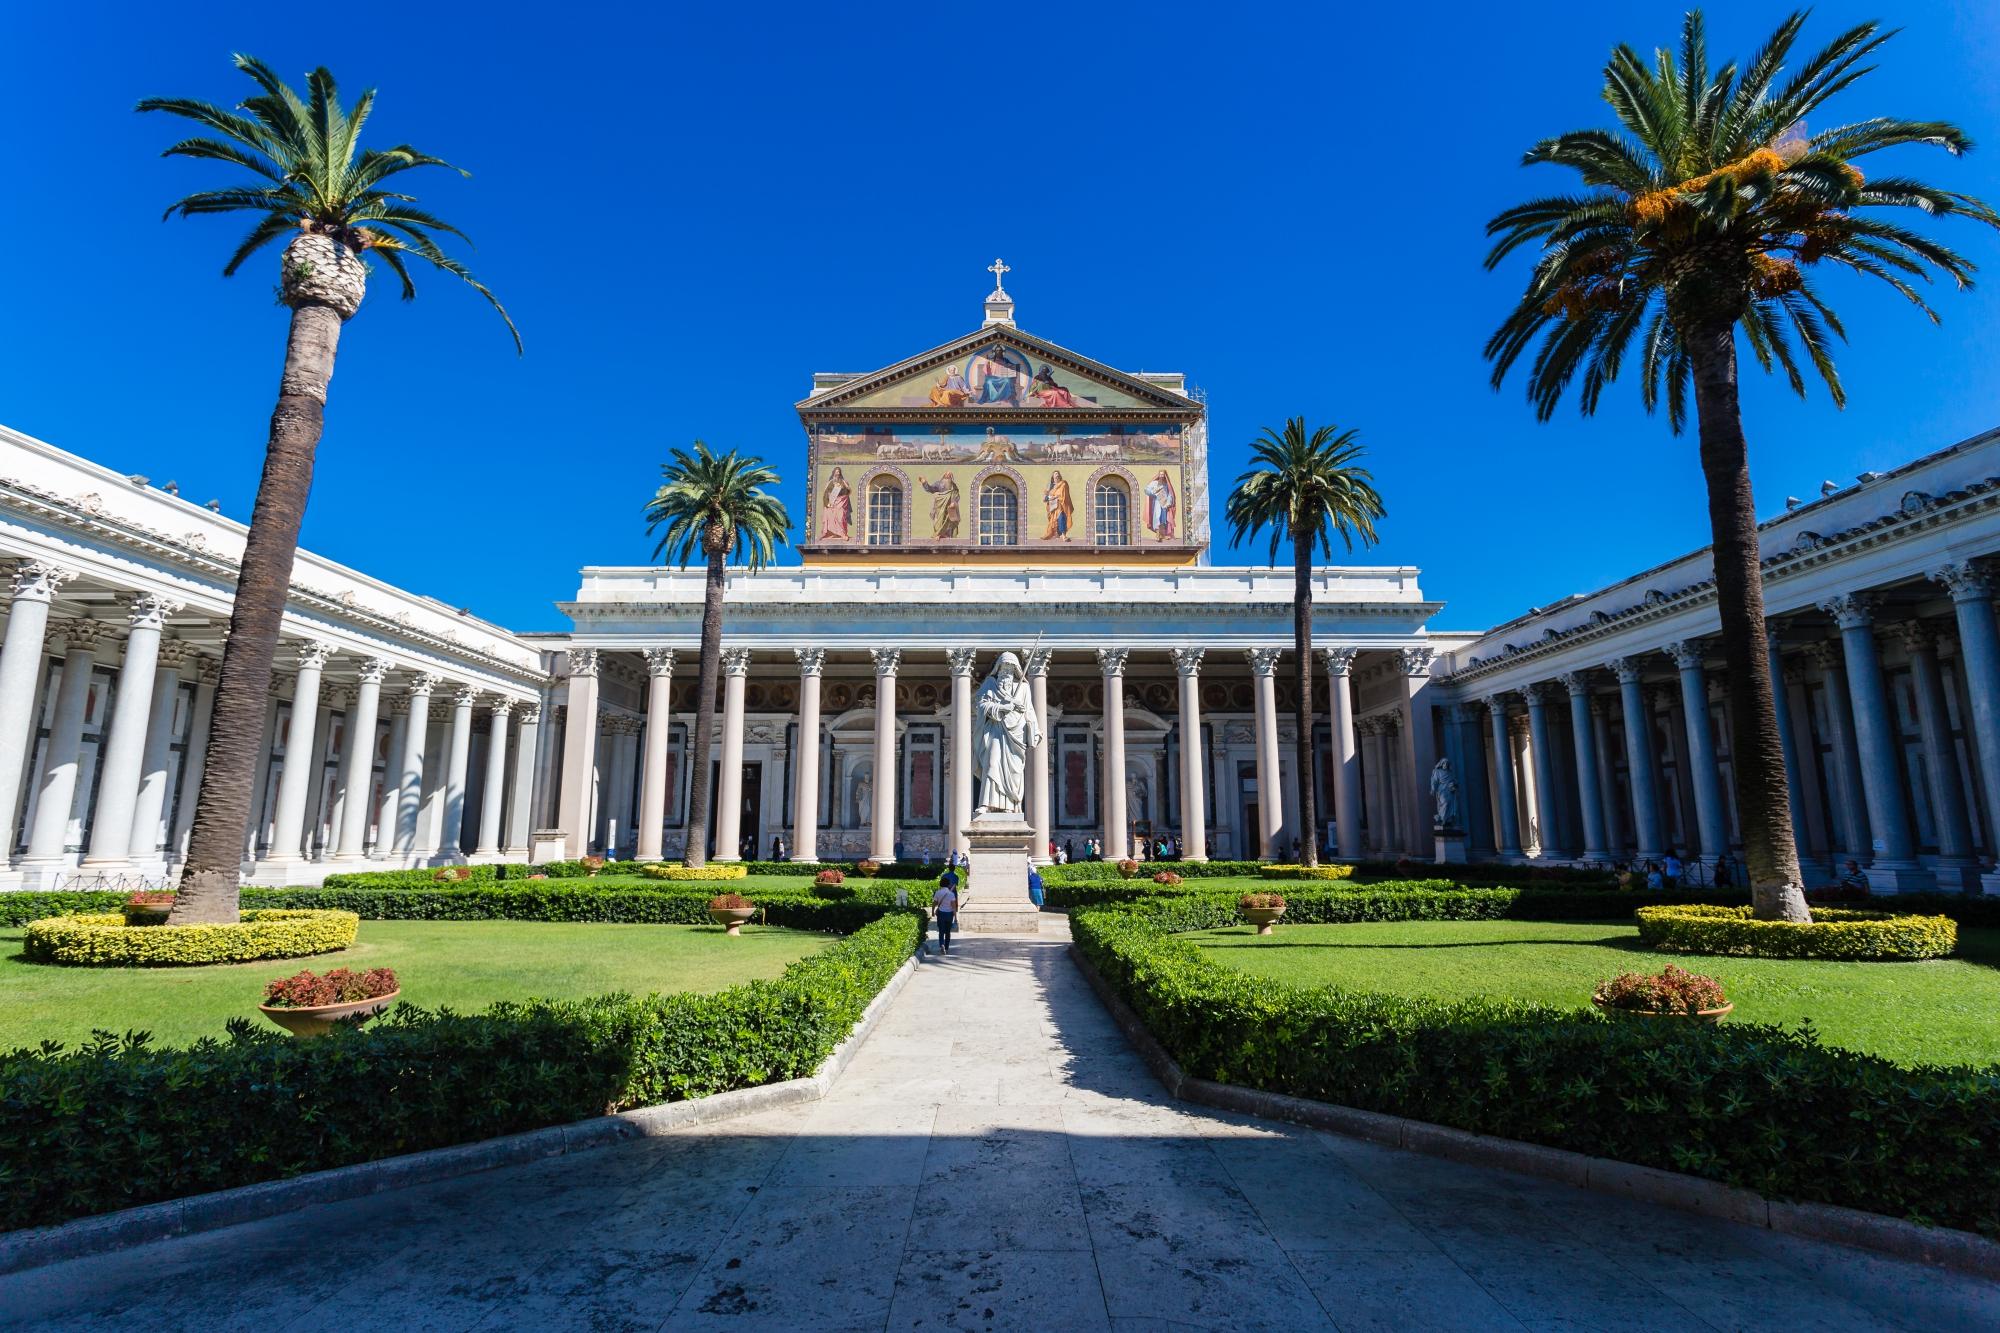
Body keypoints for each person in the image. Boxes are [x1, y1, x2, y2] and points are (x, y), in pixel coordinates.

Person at [932, 869, 960, 956]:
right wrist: (955, 917)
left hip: (940, 913)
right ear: (948, 884)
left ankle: (942, 945)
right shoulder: (951, 894)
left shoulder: (937, 892)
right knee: (948, 932)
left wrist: (932, 911)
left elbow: (934, 903)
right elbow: (954, 907)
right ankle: (947, 947)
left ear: (941, 884)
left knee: (941, 931)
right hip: (949, 914)